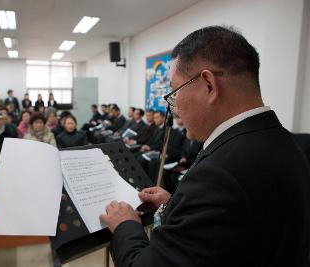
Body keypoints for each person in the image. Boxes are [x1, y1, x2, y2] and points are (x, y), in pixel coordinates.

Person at [99, 26, 310, 267]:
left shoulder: (218, 175)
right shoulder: (288, 143)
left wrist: (126, 225)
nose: (174, 107)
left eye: (175, 91)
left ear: (209, 85)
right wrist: (176, 206)